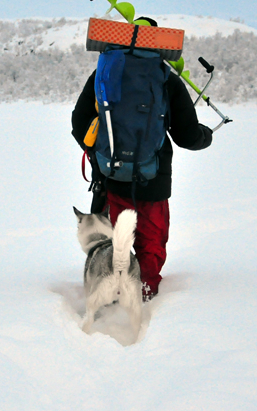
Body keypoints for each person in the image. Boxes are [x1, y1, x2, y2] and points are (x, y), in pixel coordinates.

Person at [71, 18, 213, 301]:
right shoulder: (166, 78)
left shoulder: (103, 74)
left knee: (112, 245)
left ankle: (108, 296)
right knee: (151, 244)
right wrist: (205, 136)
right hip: (153, 182)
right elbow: (187, 136)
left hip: (110, 179)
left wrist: (101, 154)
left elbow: (79, 123)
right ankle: (142, 294)